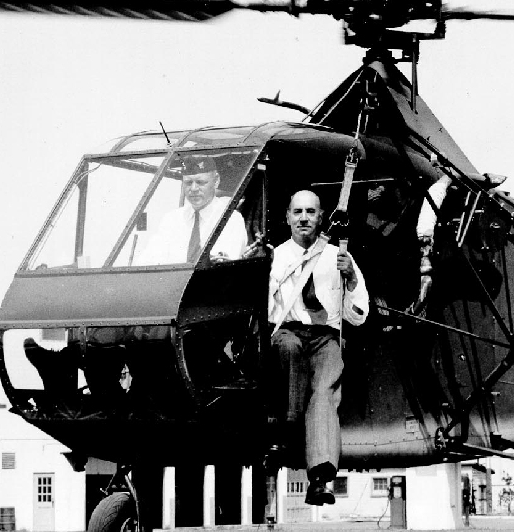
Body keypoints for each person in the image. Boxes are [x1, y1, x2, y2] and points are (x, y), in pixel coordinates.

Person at [268, 190, 369, 505]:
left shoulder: (338, 256)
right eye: (297, 212)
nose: (303, 218)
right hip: (287, 331)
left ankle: (321, 479)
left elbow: (358, 316)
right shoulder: (274, 257)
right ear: (287, 217)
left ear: (321, 216)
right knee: (287, 348)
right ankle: (289, 428)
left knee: (325, 393)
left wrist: (351, 277)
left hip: (325, 335)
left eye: (310, 212)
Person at [139, 154, 249, 264]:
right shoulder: (171, 220)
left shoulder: (230, 219)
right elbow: (148, 260)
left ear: (216, 181)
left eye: (200, 182)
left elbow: (223, 265)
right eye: (188, 183)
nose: (194, 188)